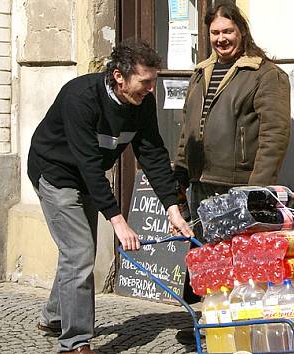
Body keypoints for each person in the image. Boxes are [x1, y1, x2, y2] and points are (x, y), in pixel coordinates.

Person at [28, 40, 194, 353]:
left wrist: (172, 207)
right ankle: (75, 342)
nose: (150, 89)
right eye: (144, 82)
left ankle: (53, 316)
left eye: (153, 82)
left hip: (88, 176)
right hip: (55, 173)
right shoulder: (80, 97)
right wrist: (118, 221)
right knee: (79, 252)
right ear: (119, 76)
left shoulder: (141, 103)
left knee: (76, 253)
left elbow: (153, 153)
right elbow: (89, 164)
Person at [173, 3, 291, 240]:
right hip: (199, 186)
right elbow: (188, 130)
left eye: (228, 31)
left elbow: (274, 137)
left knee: (235, 263)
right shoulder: (200, 74)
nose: (221, 39)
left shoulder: (265, 74)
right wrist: (181, 175)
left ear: (241, 32)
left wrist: (255, 192)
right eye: (215, 33)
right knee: (205, 260)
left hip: (237, 188)